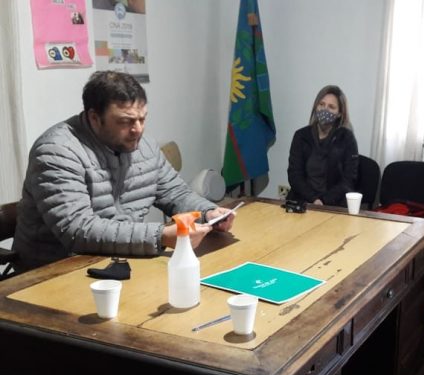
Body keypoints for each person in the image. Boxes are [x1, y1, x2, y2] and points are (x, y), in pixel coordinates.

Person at [14, 71, 235, 272]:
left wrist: (208, 213)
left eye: (142, 119)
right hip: (52, 273)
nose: (137, 130)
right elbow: (79, 230)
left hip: (119, 260)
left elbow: (175, 193)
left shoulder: (144, 146)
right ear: (94, 118)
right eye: (125, 121)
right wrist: (160, 236)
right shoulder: (57, 151)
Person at [287, 85, 359, 207]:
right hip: (303, 201)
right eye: (321, 104)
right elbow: (294, 175)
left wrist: (323, 201)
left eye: (331, 107)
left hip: (334, 204)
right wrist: (314, 199)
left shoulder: (347, 138)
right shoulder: (301, 136)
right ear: (316, 106)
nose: (325, 109)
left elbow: (348, 180)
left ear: (339, 113)